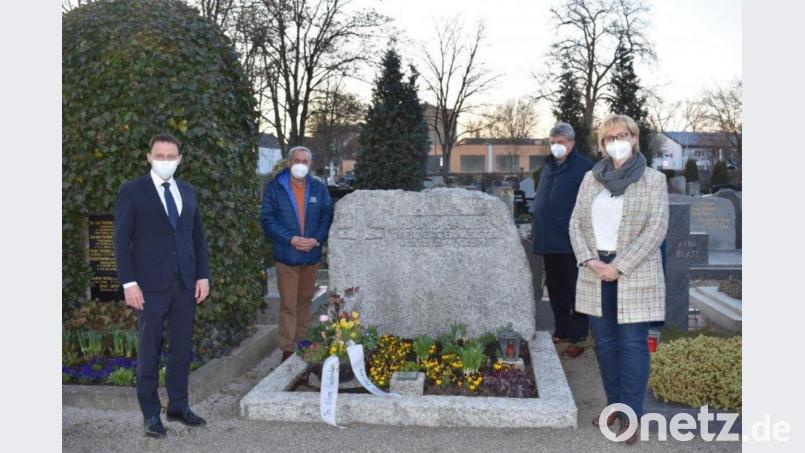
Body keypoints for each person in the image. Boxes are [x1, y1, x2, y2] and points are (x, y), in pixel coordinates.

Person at [569, 114, 668, 444]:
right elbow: (576, 225)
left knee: (632, 345)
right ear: (602, 144)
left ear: (635, 138)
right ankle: (614, 408)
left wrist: (618, 265)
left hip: (634, 274)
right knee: (607, 346)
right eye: (609, 137)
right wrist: (591, 259)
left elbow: (656, 228)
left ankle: (632, 416)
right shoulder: (590, 179)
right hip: (595, 271)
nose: (617, 141)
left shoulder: (653, 180)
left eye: (622, 135)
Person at [114, 133, 210, 438]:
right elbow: (120, 241)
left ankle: (178, 407)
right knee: (149, 351)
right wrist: (129, 283)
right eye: (160, 156)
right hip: (149, 286)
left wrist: (202, 276)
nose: (166, 161)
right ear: (149, 157)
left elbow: (197, 238)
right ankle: (151, 414)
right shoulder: (132, 191)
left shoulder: (188, 191)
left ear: (180, 159)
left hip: (184, 283)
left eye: (171, 156)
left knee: (182, 349)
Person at [261, 146, 334, 362]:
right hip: (287, 255)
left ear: (309, 164)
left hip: (311, 256)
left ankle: (302, 342)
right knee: (288, 303)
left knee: (305, 301)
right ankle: (287, 347)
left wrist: (317, 239)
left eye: (304, 161)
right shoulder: (276, 187)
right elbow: (267, 219)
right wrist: (290, 239)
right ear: (289, 163)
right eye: (296, 160)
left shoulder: (319, 188)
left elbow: (326, 216)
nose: (300, 164)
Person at [531, 122, 593, 358]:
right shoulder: (547, 166)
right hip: (548, 239)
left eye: (561, 143)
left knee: (576, 289)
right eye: (553, 142)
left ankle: (579, 337)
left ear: (572, 143)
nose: (557, 146)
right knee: (556, 288)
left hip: (571, 241)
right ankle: (563, 329)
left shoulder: (584, 168)